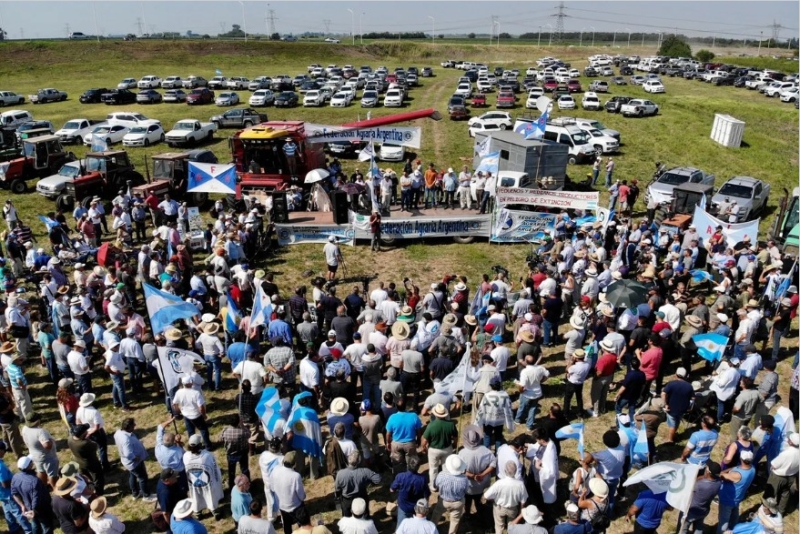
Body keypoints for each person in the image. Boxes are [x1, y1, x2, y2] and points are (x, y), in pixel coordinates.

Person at [114, 418, 156, 502]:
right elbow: (128, 454)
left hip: (127, 463)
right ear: (129, 427)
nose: (135, 425)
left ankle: (135, 493)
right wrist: (136, 458)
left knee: (132, 476)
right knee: (143, 478)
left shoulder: (118, 432)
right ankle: (146, 496)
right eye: (133, 425)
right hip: (134, 463)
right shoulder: (126, 439)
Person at [183, 434, 224, 520]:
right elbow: (214, 468)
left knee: (196, 497)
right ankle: (215, 512)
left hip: (194, 482)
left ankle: (198, 513)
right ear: (200, 445)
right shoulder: (207, 456)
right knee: (210, 496)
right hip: (207, 482)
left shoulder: (186, 456)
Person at [11, 456, 55, 534]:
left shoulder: (15, 477)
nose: (32, 463)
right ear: (29, 466)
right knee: (47, 527)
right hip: (41, 509)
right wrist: (33, 511)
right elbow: (36, 498)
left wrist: (22, 506)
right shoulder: (35, 481)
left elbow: (14, 493)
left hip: (29, 507)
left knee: (35, 526)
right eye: (31, 462)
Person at [677, 461, 722, 534]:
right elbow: (705, 478)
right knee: (698, 527)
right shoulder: (718, 483)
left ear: (708, 472)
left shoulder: (700, 485)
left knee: (683, 529)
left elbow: (689, 487)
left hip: (691, 510)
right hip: (704, 510)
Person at [484, 461, 529, 534]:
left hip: (499, 508)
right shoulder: (520, 484)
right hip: (513, 509)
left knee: (499, 526)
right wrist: (521, 512)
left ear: (505, 471)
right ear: (516, 471)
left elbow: (486, 496)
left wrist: (494, 498)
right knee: (512, 527)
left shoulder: (499, 483)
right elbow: (523, 501)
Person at [717, 450, 756, 534]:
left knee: (723, 521)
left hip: (728, 499)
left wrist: (722, 472)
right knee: (734, 517)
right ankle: (733, 530)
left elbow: (721, 476)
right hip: (738, 497)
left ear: (741, 459)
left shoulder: (736, 475)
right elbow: (737, 467)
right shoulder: (752, 469)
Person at [172, 376, 212, 451]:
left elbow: (174, 404)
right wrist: (204, 415)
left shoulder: (179, 392)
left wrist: (179, 411)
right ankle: (208, 446)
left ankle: (193, 447)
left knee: (191, 431)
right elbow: (201, 407)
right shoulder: (196, 393)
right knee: (203, 430)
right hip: (196, 415)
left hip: (186, 415)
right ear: (191, 383)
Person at [271, 452, 307, 534]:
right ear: (294, 464)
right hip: (295, 506)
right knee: (302, 523)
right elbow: (301, 496)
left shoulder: (275, 470)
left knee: (287, 526)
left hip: (282, 506)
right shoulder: (295, 476)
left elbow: (272, 488)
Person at [764, 432, 799, 515]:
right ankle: (781, 512)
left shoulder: (786, 453)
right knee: (785, 495)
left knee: (770, 493)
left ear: (791, 442)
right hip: (791, 476)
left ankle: (765, 509)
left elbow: (774, 465)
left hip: (778, 476)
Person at [20, 412, 59, 488]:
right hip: (47, 457)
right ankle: (56, 488)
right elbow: (47, 446)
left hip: (34, 454)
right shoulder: (40, 432)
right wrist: (51, 440)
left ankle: (43, 487)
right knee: (52, 474)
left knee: (41, 471)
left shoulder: (24, 428)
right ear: (37, 421)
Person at [390, 456, 429, 527]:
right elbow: (426, 495)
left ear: (408, 464)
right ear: (418, 467)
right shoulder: (422, 479)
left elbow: (392, 489)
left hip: (403, 507)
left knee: (400, 527)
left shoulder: (400, 476)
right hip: (416, 508)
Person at [0, 440, 30, 534]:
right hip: (9, 493)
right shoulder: (0, 466)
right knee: (18, 512)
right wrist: (15, 481)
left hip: (2, 494)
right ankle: (28, 530)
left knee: (7, 511)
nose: (5, 452)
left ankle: (14, 528)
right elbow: (4, 483)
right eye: (4, 450)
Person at [660, 367, 694, 445]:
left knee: (672, 425)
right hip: (683, 409)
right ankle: (674, 432)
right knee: (677, 421)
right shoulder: (689, 386)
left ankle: (671, 440)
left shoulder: (671, 384)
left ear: (676, 374)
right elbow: (693, 398)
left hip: (671, 409)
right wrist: (690, 407)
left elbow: (663, 393)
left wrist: (665, 404)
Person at [220, 415, 251, 491]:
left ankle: (231, 486)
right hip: (242, 453)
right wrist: (243, 426)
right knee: (244, 469)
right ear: (238, 422)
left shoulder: (225, 431)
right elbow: (249, 434)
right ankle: (247, 484)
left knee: (231, 471)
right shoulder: (243, 431)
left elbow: (220, 439)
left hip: (231, 454)